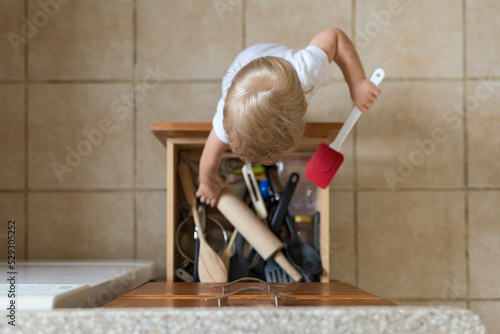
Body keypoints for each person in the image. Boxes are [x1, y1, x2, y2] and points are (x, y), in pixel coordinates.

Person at [196, 28, 381, 207]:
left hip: (268, 60)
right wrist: (206, 182)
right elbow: (210, 155)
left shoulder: (308, 69)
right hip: (247, 62)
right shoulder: (228, 115)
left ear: (302, 114)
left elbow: (336, 38)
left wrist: (357, 83)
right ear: (226, 99)